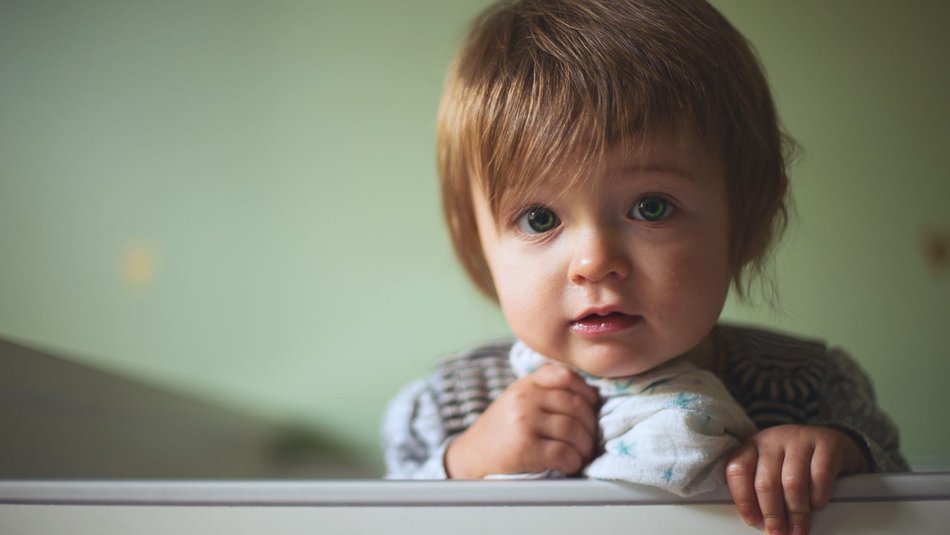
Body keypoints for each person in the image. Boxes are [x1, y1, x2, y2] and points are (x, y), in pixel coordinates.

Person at [382, 0, 908, 534]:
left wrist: (841, 464)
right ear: (477, 241)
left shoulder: (809, 390)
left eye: (651, 207)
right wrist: (462, 466)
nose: (595, 264)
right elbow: (379, 519)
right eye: (539, 218)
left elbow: (912, 508)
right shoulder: (448, 407)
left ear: (748, 218)